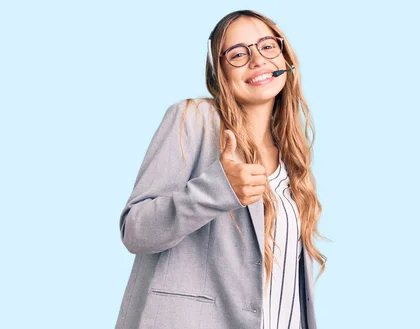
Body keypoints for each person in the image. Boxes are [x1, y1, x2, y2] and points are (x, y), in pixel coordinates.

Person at [114, 9, 327, 329]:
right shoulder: (194, 119)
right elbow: (136, 230)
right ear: (219, 73)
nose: (257, 60)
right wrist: (217, 188)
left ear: (285, 58)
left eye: (268, 46)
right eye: (238, 54)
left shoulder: (293, 160)